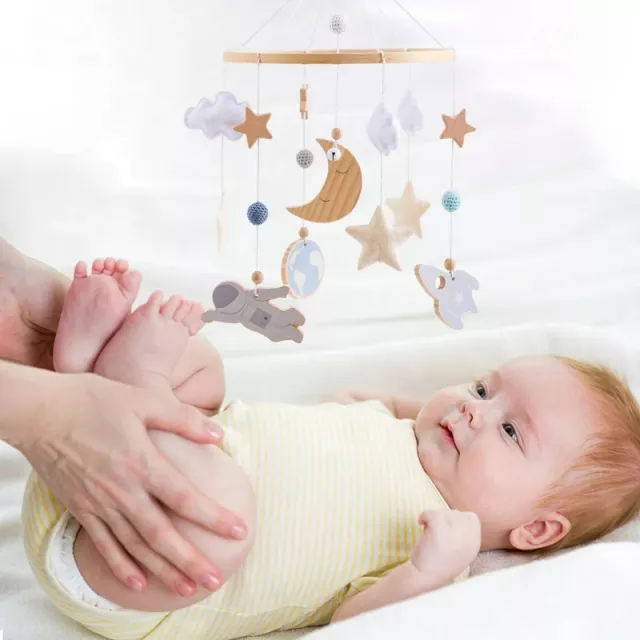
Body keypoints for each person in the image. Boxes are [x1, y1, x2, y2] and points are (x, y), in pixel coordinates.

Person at [22, 257, 640, 640]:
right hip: (76, 449)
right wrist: (415, 411)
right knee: (207, 373)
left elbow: (355, 624)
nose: (476, 408)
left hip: (129, 568)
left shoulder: (442, 554)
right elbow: (355, 397)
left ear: (535, 530)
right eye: (483, 388)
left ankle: (124, 377)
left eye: (510, 432)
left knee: (228, 518)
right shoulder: (392, 426)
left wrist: (425, 572)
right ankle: (88, 373)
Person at [0, 238, 248, 598]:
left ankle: (121, 373)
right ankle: (101, 371)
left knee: (222, 535)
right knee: (206, 372)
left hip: (123, 533)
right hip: (107, 454)